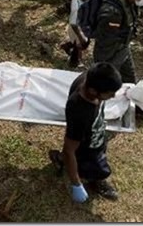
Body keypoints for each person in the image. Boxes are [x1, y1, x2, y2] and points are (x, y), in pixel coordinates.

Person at [49, 63, 122, 202]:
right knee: (96, 167)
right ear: (94, 91)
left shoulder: (90, 78)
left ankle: (60, 160)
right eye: (110, 93)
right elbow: (69, 149)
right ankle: (95, 180)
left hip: (94, 132)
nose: (113, 96)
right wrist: (76, 184)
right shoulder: (80, 111)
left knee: (93, 152)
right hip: (87, 145)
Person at [62, 0, 98, 67]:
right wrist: (81, 36)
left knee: (83, 43)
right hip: (76, 29)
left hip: (83, 26)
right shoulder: (77, 7)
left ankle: (67, 46)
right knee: (80, 45)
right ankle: (75, 62)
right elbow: (74, 24)